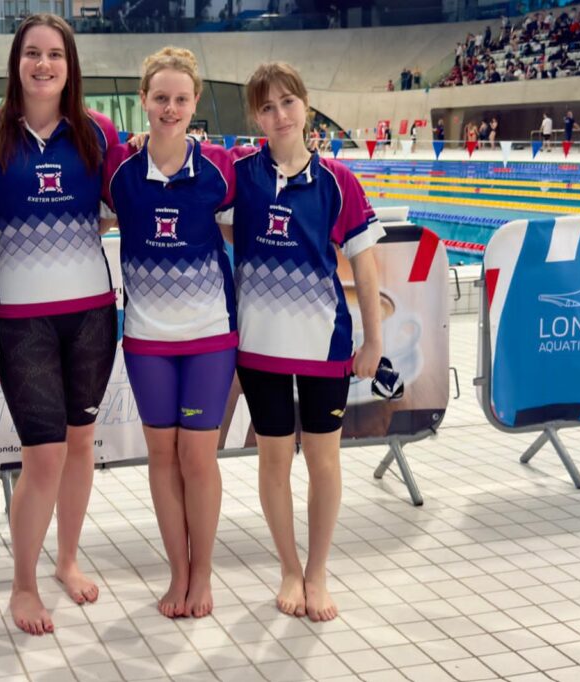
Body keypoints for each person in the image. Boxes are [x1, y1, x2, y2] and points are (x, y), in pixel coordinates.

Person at [0, 14, 119, 635]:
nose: (43, 65)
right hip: (21, 323)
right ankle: (23, 583)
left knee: (81, 444)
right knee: (42, 455)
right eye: (33, 54)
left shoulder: (97, 133)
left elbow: (134, 200)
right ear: (16, 63)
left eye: (55, 55)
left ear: (71, 67)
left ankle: (67, 559)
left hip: (92, 316)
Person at [227, 62, 383, 621]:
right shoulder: (238, 176)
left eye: (288, 102)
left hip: (324, 346)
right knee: (273, 460)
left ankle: (317, 572)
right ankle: (289, 569)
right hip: (261, 347)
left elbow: (365, 268)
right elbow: (181, 168)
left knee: (323, 460)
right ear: (256, 117)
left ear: (306, 105)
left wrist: (373, 341)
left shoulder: (339, 181)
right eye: (267, 107)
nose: (280, 115)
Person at [102, 47, 237, 620]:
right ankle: (177, 572)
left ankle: (202, 573)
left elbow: (250, 231)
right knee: (162, 456)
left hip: (209, 336)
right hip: (147, 339)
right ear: (144, 100)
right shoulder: (120, 172)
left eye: (181, 99)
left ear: (195, 101)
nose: (171, 108)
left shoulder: (219, 169)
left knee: (198, 457)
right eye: (161, 98)